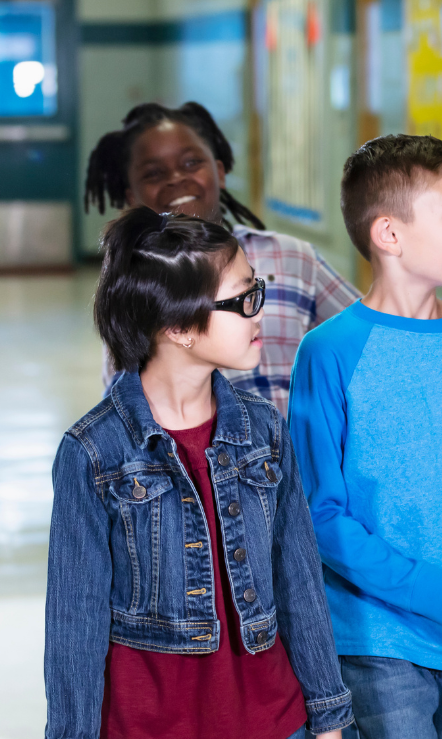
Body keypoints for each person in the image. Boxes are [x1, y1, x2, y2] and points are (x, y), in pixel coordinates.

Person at [45, 207, 352, 739]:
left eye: (258, 290)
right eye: (243, 300)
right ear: (179, 325)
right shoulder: (94, 452)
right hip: (146, 725)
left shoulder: (265, 431)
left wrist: (327, 718)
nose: (262, 313)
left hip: (275, 721)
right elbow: (75, 624)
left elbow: (299, 582)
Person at [288, 135, 442, 739]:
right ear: (390, 235)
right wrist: (439, 593)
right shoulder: (330, 352)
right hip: (376, 636)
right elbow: (320, 515)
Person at [85, 101, 359, 414]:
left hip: (291, 456)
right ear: (132, 197)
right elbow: (123, 404)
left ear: (218, 172)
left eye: (191, 163)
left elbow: (367, 341)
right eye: (154, 173)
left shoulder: (291, 258)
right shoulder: (140, 285)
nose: (175, 178)